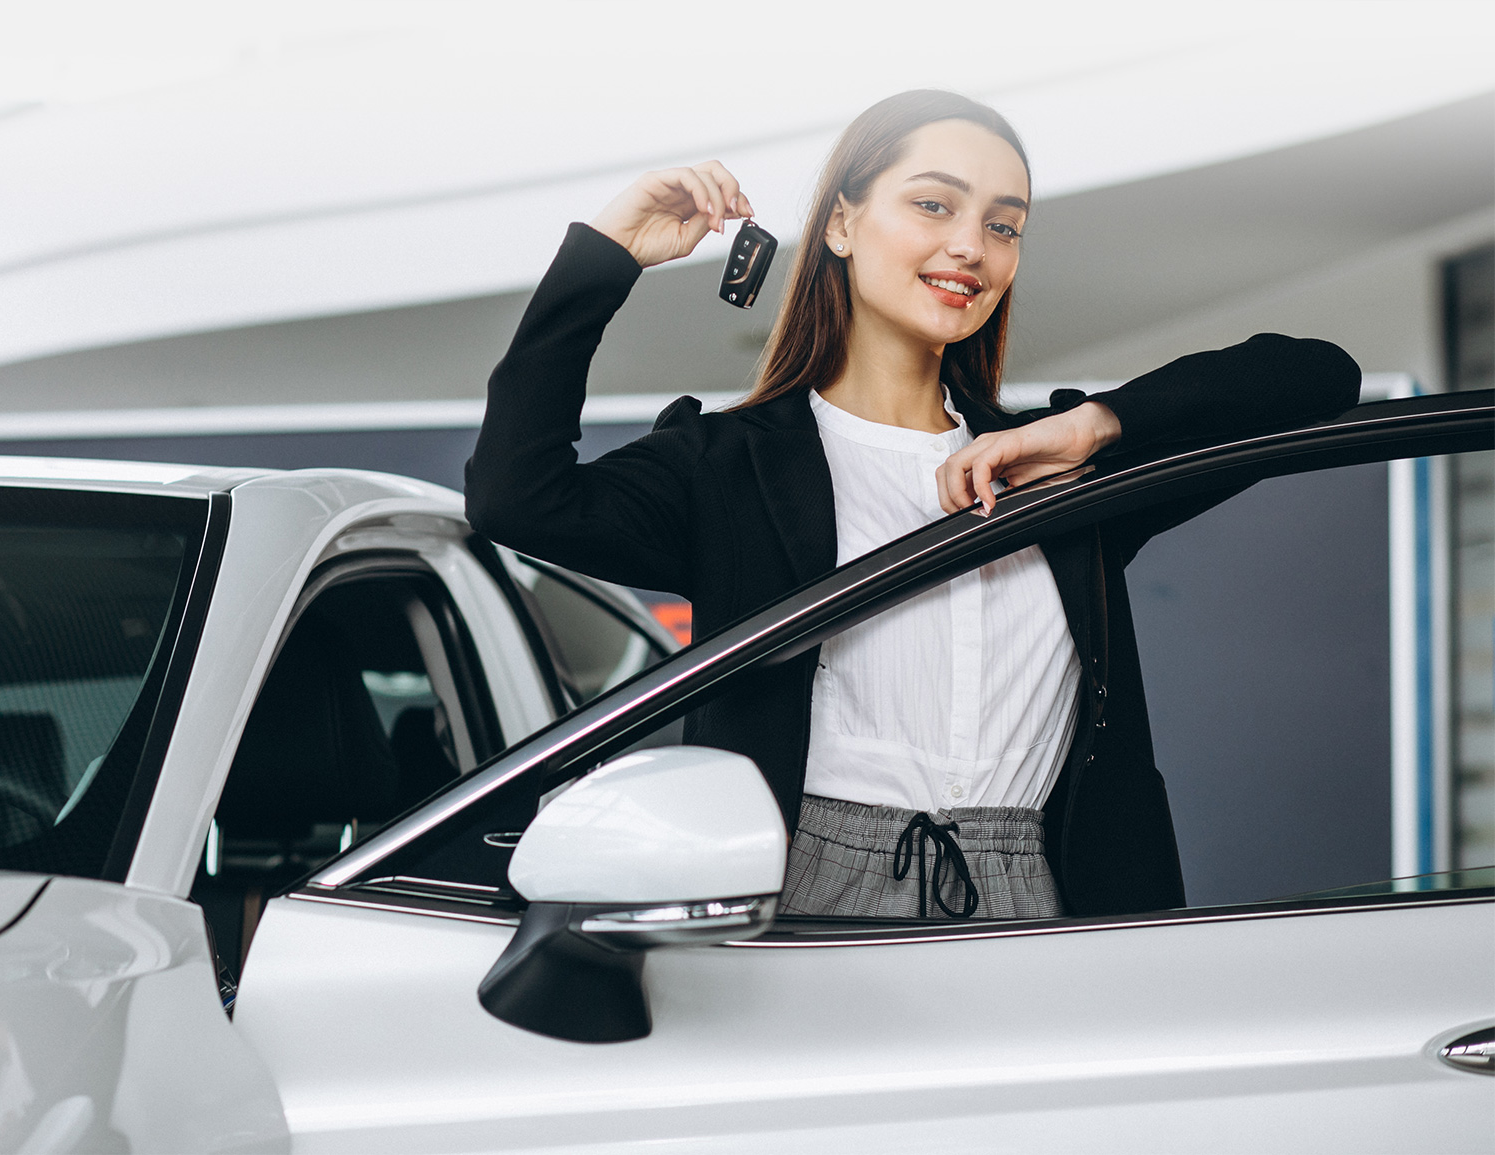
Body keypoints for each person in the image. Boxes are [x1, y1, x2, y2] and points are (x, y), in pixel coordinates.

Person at [465, 90, 1360, 920]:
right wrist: (607, 254)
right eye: (935, 204)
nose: (972, 246)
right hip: (805, 890)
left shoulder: (1054, 468)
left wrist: (1092, 429)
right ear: (844, 223)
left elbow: (1316, 374)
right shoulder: (731, 466)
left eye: (1003, 224)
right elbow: (518, 497)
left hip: (1046, 895)